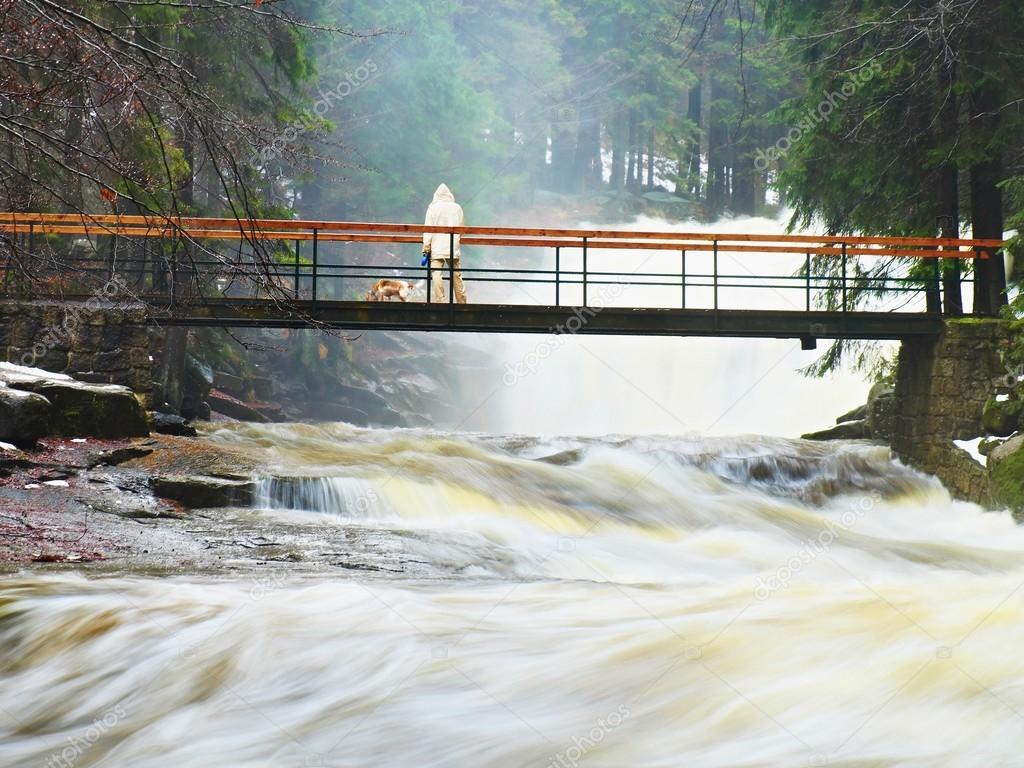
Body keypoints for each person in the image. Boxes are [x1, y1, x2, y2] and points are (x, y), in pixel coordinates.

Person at [422, 183, 468, 303]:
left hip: (437, 248)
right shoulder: (457, 208)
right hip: (453, 247)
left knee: (436, 274)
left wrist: (426, 249)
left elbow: (428, 230)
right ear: (449, 195)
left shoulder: (432, 208)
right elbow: (461, 228)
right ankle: (462, 302)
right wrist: (456, 239)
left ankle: (440, 301)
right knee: (456, 275)